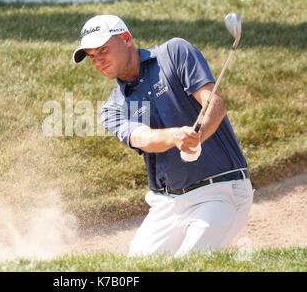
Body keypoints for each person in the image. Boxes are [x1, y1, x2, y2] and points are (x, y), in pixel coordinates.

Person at [72, 14, 253, 257]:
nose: (98, 60)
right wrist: (176, 137)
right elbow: (141, 138)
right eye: (92, 56)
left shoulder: (175, 53)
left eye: (103, 49)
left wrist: (199, 136)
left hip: (220, 190)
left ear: (126, 39)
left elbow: (214, 104)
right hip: (168, 204)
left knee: (189, 263)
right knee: (136, 266)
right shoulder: (112, 108)